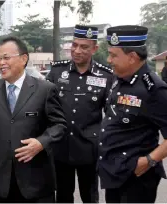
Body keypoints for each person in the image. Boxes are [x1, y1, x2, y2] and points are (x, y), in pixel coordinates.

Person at [99, 25, 167, 203]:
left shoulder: (153, 89)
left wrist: (149, 161)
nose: (109, 59)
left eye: (113, 55)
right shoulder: (119, 79)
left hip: (136, 178)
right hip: (115, 172)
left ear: (132, 57)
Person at [0, 36, 67, 203]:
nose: (1, 63)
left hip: (36, 179)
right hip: (3, 180)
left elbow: (59, 125)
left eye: (6, 58)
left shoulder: (44, 89)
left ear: (24, 59)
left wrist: (41, 142)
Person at [46, 25, 113, 203]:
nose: (77, 51)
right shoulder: (57, 72)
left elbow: (111, 116)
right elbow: (45, 108)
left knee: (89, 196)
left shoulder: (106, 76)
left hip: (89, 150)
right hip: (60, 147)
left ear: (94, 49)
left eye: (84, 47)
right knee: (62, 196)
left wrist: (104, 144)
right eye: (74, 45)